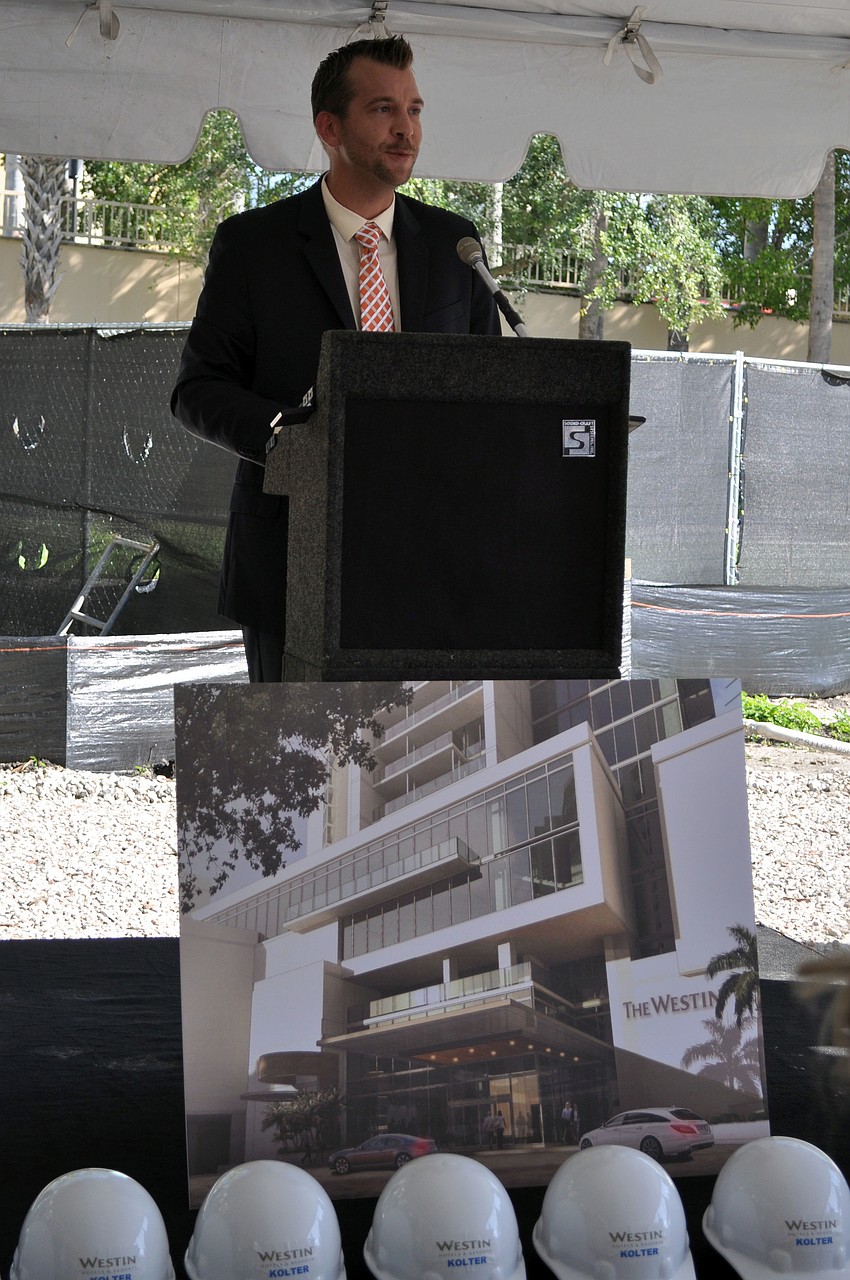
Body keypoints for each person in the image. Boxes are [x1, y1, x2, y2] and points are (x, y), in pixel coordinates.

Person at [171, 34, 501, 682]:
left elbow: (485, 391)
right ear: (330, 126)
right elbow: (197, 388)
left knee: (412, 770)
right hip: (292, 560)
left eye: (414, 109)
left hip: (429, 565)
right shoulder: (254, 246)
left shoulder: (454, 245)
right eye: (384, 110)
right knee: (302, 774)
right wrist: (292, 439)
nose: (406, 129)